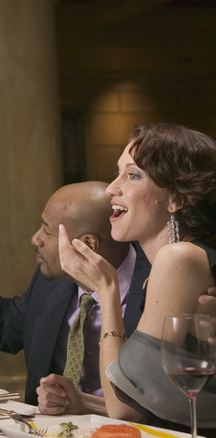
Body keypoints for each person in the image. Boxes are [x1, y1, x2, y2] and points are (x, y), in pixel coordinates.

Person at [0, 181, 150, 408]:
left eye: (47, 231)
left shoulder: (157, 286)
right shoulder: (52, 280)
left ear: (87, 244)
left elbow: (166, 407)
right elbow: (3, 326)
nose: (35, 239)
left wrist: (86, 404)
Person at [47, 123, 216, 432]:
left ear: (175, 199)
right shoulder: (177, 261)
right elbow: (146, 403)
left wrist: (105, 289)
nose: (112, 188)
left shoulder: (177, 258)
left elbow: (123, 406)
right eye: (117, 172)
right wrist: (84, 401)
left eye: (133, 175)